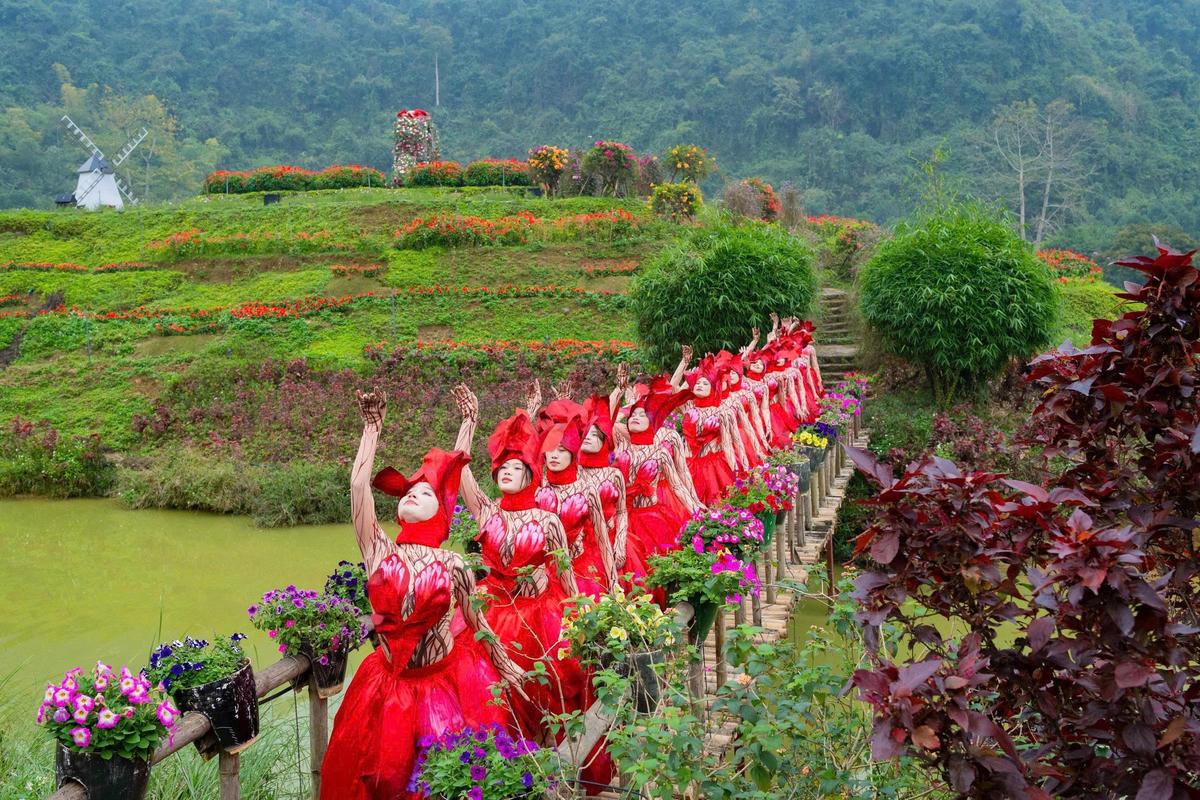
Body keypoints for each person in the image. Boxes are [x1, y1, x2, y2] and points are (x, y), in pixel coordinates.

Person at [321, 390, 522, 800]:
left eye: (425, 492)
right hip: (385, 686)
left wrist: (509, 667)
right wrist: (371, 429)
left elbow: (479, 625)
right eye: (408, 491)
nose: (412, 493)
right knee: (378, 780)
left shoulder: (456, 566)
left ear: (443, 513)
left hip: (440, 687)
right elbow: (359, 487)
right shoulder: (378, 549)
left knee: (439, 780)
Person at [451, 385, 586, 742]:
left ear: (531, 472)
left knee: (540, 693)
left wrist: (585, 623)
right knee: (485, 696)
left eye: (516, 466)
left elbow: (569, 583)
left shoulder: (548, 521)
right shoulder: (487, 510)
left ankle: (542, 765)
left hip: (537, 616)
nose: (507, 471)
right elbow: (459, 469)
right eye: (502, 467)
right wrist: (469, 421)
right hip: (489, 610)